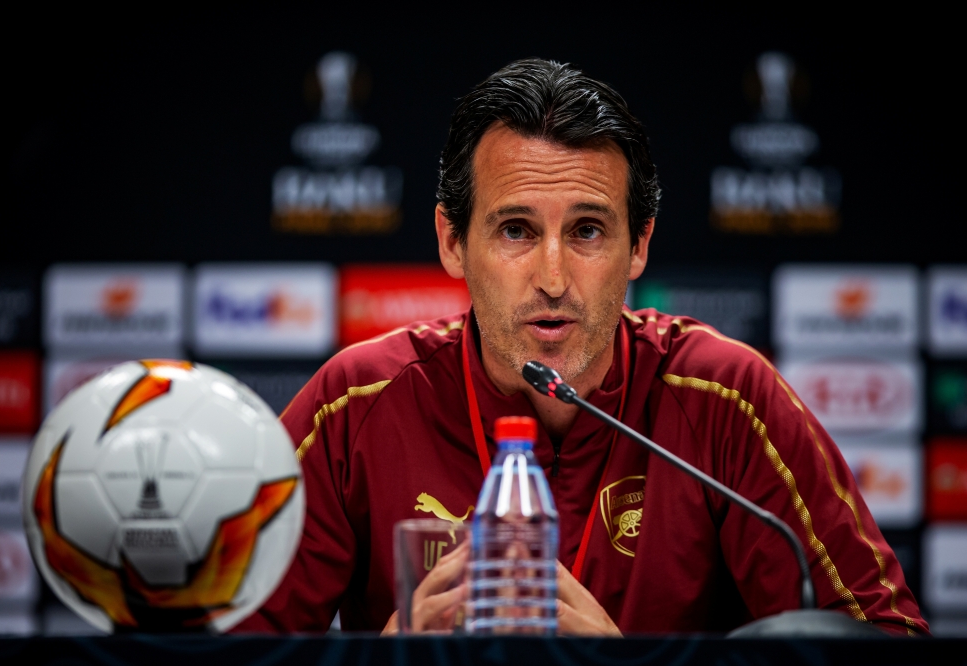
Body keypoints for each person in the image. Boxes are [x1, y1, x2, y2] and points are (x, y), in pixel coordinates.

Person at [234, 59, 927, 635]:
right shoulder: (354, 405)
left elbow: (886, 645)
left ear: (640, 245)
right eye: (516, 230)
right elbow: (220, 657)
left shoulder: (726, 397)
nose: (555, 278)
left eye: (589, 230)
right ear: (452, 241)